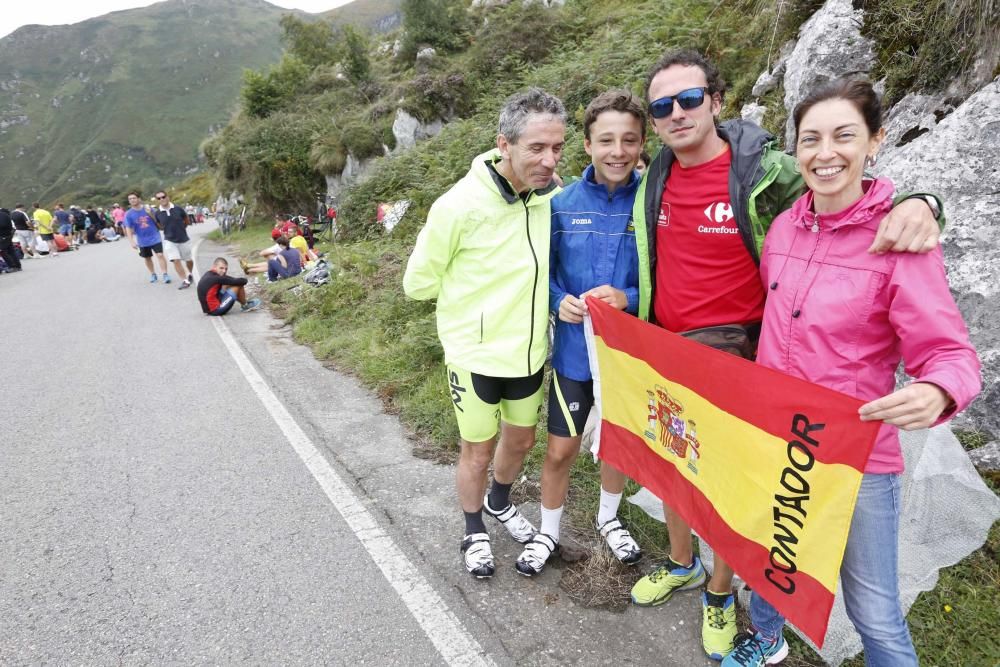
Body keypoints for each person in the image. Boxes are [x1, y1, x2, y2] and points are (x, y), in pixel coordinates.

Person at [626, 49, 944, 661]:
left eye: (690, 99)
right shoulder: (655, 177)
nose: (676, 113)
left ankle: (722, 595)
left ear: (717, 100)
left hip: (748, 367)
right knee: (684, 475)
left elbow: (851, 189)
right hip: (674, 358)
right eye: (662, 106)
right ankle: (702, 580)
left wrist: (924, 201)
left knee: (734, 497)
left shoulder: (767, 171)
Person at [721, 78, 981, 667]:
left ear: (875, 141)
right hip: (776, 436)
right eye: (810, 139)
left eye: (844, 136)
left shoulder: (899, 238)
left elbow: (950, 353)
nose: (825, 152)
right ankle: (765, 639)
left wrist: (939, 390)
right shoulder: (785, 227)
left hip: (855, 453)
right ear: (795, 149)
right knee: (771, 556)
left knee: (874, 610)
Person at [403, 87, 565, 578]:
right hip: (475, 357)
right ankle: (473, 529)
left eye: (557, 147)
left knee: (519, 441)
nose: (548, 159)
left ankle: (499, 502)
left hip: (530, 353)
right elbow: (417, 284)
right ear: (505, 144)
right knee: (476, 449)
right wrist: (472, 310)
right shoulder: (458, 206)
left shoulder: (550, 197)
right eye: (536, 148)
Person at [514, 90, 645, 577]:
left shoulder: (653, 203)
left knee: (618, 443)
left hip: (628, 357)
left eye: (628, 140)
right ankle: (549, 530)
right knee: (561, 448)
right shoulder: (560, 205)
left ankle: (609, 519)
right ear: (587, 145)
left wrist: (628, 298)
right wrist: (556, 301)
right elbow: (540, 272)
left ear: (641, 144)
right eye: (606, 140)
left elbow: (666, 278)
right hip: (573, 357)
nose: (617, 151)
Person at [123, 191, 171, 283]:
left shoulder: (148, 208)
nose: (132, 200)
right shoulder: (128, 214)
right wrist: (131, 241)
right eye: (130, 199)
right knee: (147, 258)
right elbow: (128, 228)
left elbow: (158, 220)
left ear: (139, 199)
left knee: (160, 255)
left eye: (134, 198)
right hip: (142, 240)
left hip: (155, 236)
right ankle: (153, 274)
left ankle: (165, 274)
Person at [153, 190, 194, 289]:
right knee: (175, 260)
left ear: (167, 197)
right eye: (159, 198)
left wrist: (181, 228)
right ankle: (185, 280)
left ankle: (190, 273)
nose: (161, 199)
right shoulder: (158, 213)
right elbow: (159, 225)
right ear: (157, 200)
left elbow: (187, 220)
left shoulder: (178, 208)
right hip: (169, 240)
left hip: (184, 239)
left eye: (163, 197)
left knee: (188, 260)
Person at [197, 257, 261, 315]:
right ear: (214, 267)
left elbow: (229, 279)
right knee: (238, 285)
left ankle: (243, 301)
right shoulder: (217, 278)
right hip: (215, 310)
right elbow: (243, 281)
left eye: (226, 269)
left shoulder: (209, 274)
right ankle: (245, 305)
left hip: (208, 308)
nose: (224, 271)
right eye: (221, 268)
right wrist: (249, 273)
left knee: (229, 283)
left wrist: (231, 281)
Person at [0, 207, 22, 272]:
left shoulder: (2, 215)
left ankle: (12, 266)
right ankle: (18, 266)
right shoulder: (4, 214)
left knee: (3, 251)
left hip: (3, 236)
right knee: (11, 251)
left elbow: (3, 225)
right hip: (8, 235)